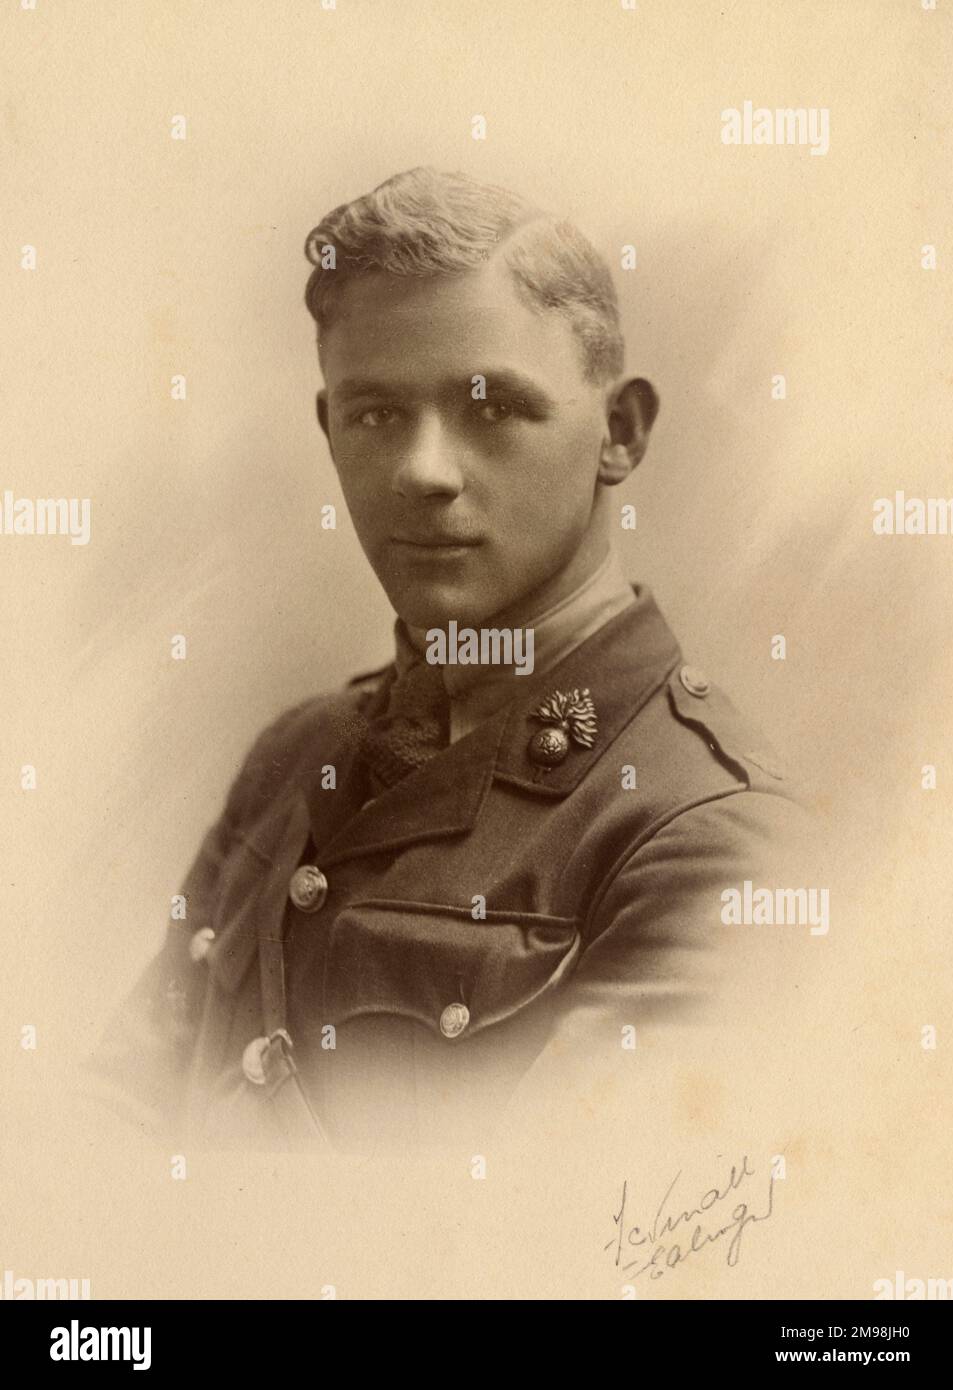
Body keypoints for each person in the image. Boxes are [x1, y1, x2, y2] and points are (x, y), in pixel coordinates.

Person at [84, 167, 814, 1153]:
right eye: (376, 414)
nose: (422, 472)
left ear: (621, 431)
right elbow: (107, 1119)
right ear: (329, 427)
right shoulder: (295, 757)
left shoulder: (703, 832)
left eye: (491, 409)